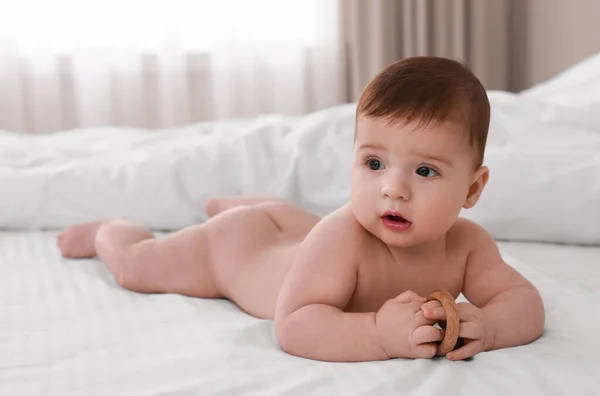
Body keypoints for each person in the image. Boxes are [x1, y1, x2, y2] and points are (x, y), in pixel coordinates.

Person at [57, 56, 545, 363]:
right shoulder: (345, 236)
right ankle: (111, 231)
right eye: (374, 162)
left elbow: (523, 300)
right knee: (140, 268)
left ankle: (260, 208)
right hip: (236, 252)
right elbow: (294, 325)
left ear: (472, 189)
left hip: (295, 238)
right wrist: (377, 332)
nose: (393, 189)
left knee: (298, 231)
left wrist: (495, 326)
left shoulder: (468, 244)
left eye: (425, 172)